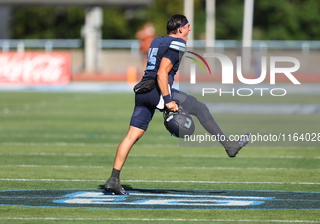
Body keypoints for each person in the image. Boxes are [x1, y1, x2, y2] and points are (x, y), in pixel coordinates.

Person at [104, 14, 250, 195]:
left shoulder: (157, 40)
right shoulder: (178, 43)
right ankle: (229, 146)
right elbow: (162, 73)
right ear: (180, 29)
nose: (189, 29)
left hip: (142, 91)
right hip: (157, 90)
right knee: (200, 108)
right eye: (188, 26)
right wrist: (167, 100)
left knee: (132, 136)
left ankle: (113, 179)